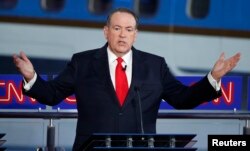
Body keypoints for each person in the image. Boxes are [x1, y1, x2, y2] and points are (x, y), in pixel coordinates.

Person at [13, 8, 240, 151]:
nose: (123, 35)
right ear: (106, 32)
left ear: (135, 34)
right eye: (117, 28)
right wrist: (32, 77)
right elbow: (52, 95)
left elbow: (183, 99)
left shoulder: (154, 65)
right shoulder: (82, 62)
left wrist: (213, 78)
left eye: (129, 29)